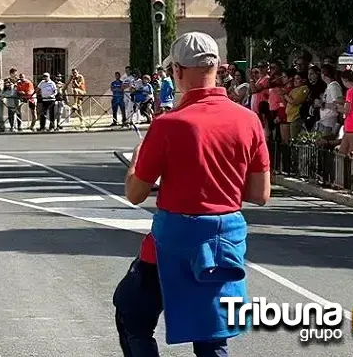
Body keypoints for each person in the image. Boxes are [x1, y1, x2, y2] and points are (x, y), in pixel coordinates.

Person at [113, 31, 271, 357]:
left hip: (172, 244)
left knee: (132, 314)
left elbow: (135, 194)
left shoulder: (169, 123)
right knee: (211, 336)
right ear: (218, 68)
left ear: (179, 71)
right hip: (224, 239)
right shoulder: (249, 120)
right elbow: (260, 193)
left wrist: (135, 162)